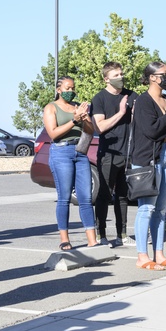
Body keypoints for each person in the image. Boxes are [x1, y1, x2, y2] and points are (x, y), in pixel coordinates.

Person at [130, 62, 166, 270]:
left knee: (162, 209)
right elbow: (153, 131)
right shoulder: (143, 101)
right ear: (152, 77)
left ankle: (159, 253)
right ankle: (142, 256)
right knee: (147, 208)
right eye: (165, 74)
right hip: (148, 160)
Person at [42, 76, 97, 249]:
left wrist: (85, 117)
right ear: (59, 90)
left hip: (80, 152)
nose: (71, 91)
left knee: (86, 197)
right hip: (61, 151)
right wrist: (74, 120)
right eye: (67, 88)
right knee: (64, 197)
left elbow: (90, 131)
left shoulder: (77, 107)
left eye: (72, 88)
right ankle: (64, 239)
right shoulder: (51, 107)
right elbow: (53, 133)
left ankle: (92, 239)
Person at [91, 62, 135, 247]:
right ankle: (101, 236)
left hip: (128, 154)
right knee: (104, 195)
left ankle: (122, 235)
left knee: (124, 196)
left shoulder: (132, 95)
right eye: (116, 75)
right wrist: (122, 112)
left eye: (121, 73)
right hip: (109, 154)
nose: (120, 77)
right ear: (106, 78)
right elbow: (99, 127)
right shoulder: (99, 99)